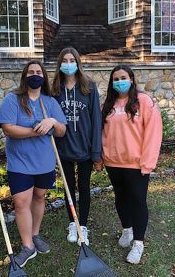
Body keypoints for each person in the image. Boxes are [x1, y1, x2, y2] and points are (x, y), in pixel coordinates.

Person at [0, 60, 66, 267]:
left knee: (39, 196)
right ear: (25, 76)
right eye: (31, 72)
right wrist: (37, 130)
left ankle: (35, 234)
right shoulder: (13, 99)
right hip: (20, 163)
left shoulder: (50, 102)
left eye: (38, 72)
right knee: (20, 202)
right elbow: (8, 129)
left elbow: (62, 131)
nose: (34, 75)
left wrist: (52, 122)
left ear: (44, 76)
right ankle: (27, 247)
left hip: (44, 162)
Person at [95, 64, 162, 264]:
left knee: (137, 201)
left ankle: (138, 243)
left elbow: (153, 133)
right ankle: (127, 230)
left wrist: (147, 162)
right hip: (113, 162)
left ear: (131, 79)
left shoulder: (143, 102)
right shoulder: (106, 105)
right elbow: (100, 133)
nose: (119, 82)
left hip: (136, 163)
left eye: (123, 77)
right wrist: (99, 158)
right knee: (121, 198)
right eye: (115, 79)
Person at [51, 47, 102, 246]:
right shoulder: (54, 89)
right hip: (63, 148)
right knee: (68, 187)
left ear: (78, 63)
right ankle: (73, 222)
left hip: (85, 147)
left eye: (72, 59)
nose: (69, 63)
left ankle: (83, 226)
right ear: (60, 64)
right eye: (65, 60)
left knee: (84, 186)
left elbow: (96, 120)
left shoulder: (88, 87)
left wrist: (96, 151)